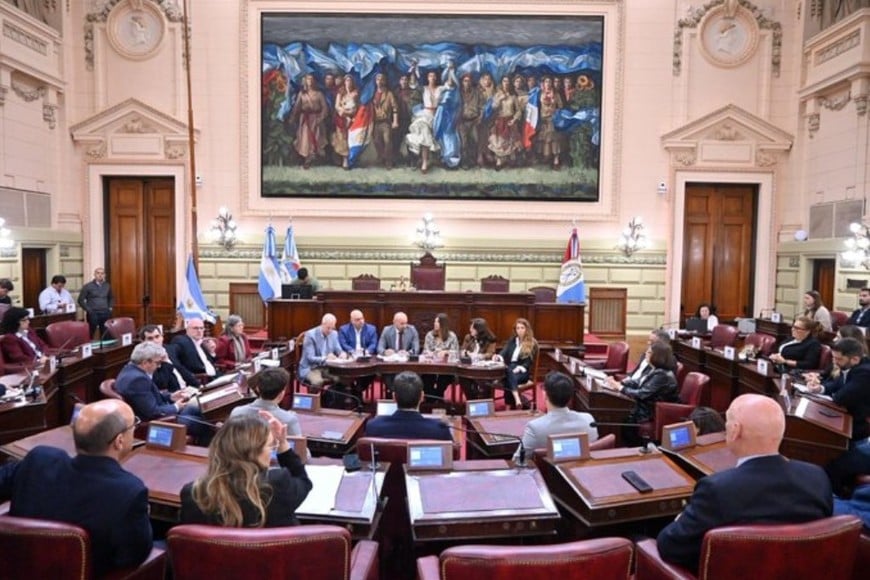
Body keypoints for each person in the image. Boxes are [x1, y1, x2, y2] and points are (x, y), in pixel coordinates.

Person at [656, 394, 833, 572]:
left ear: (735, 431)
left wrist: (679, 520)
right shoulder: (817, 477)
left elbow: (669, 547)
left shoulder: (716, 489)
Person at [0, 399, 153, 576]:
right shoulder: (130, 492)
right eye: (133, 425)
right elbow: (134, 556)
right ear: (119, 441)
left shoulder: (38, 459)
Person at [180, 413, 312, 527]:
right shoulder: (277, 484)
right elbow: (303, 481)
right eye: (270, 446)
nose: (272, 450)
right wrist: (283, 443)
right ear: (253, 452)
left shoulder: (192, 493)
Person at [805, 337, 870, 494]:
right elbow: (836, 386)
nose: (834, 362)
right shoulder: (851, 368)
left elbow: (841, 397)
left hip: (861, 428)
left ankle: (836, 497)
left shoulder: (865, 373)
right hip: (852, 424)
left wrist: (834, 392)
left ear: (854, 359)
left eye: (838, 359)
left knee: (833, 462)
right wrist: (819, 389)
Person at [115, 341, 211, 444]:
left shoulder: (130, 369)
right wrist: (176, 407)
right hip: (159, 422)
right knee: (207, 424)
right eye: (157, 363)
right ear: (145, 362)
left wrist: (170, 397)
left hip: (163, 413)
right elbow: (153, 412)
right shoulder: (137, 380)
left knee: (202, 410)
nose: (159, 366)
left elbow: (148, 396)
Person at [514, 371, 598, 461]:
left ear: (545, 395)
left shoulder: (535, 428)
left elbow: (518, 461)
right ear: (571, 397)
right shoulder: (589, 420)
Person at [605, 342, 679, 438]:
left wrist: (620, 388)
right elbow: (638, 382)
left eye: (649, 352)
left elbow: (642, 394)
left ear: (657, 356)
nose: (645, 354)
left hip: (651, 411)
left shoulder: (663, 375)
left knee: (617, 411)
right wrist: (618, 383)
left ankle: (624, 444)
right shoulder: (654, 369)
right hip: (644, 406)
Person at [230, 367, 305, 449]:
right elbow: (300, 452)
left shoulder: (236, 412)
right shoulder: (289, 419)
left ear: (257, 388)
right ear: (281, 394)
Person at [364, 371, 452, 440]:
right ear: (422, 397)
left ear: (394, 397)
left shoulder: (373, 426)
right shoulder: (439, 429)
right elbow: (453, 455)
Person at [139, 324, 199, 392]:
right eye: (150, 338)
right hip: (173, 396)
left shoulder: (169, 350)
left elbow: (181, 369)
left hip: (188, 390)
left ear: (162, 337)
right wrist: (165, 362)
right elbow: (161, 384)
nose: (155, 341)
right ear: (143, 342)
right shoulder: (147, 360)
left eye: (157, 337)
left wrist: (197, 385)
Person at [494, 318, 538, 409]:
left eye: (522, 328)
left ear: (527, 329)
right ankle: (517, 399)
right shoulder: (513, 340)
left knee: (508, 377)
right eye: (518, 328)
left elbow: (528, 363)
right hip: (510, 368)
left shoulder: (532, 343)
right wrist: (498, 357)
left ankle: (508, 407)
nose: (520, 330)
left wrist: (518, 369)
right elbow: (504, 351)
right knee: (509, 372)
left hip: (522, 371)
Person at [405, 70, 443, 174]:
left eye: (434, 76)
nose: (432, 78)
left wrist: (450, 70)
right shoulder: (423, 89)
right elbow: (413, 84)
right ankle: (424, 161)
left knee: (428, 133)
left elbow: (451, 85)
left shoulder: (440, 88)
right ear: (427, 78)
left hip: (437, 116)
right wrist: (413, 70)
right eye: (430, 76)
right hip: (425, 114)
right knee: (424, 130)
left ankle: (430, 159)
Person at [298, 313, 346, 392]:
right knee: (318, 382)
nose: (330, 331)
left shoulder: (334, 333)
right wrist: (326, 358)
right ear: (322, 324)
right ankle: (314, 403)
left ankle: (329, 399)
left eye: (332, 327)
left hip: (327, 367)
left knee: (342, 378)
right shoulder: (310, 335)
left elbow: (338, 349)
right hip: (311, 368)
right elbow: (310, 358)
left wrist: (342, 354)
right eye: (328, 328)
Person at [290, 73, 328, 169]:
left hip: (316, 119)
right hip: (305, 119)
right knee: (305, 138)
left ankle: (312, 158)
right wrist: (293, 117)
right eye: (308, 79)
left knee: (316, 138)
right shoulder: (302, 94)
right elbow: (297, 107)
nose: (310, 82)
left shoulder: (319, 94)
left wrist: (321, 118)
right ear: (305, 81)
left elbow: (325, 108)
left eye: (311, 79)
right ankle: (306, 159)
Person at [337, 309, 378, 395]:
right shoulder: (344, 329)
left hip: (365, 359)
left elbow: (373, 344)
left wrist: (367, 351)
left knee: (372, 372)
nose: (361, 321)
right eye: (358, 319)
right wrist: (353, 352)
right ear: (352, 321)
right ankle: (355, 393)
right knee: (346, 374)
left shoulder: (371, 329)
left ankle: (357, 391)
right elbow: (343, 344)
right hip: (350, 359)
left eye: (362, 318)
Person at [421, 313, 460, 399]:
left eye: (437, 322)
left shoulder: (452, 336)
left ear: (443, 324)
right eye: (435, 322)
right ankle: (430, 401)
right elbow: (425, 351)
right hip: (431, 367)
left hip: (446, 369)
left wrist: (446, 352)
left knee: (443, 380)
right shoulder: (429, 335)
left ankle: (439, 400)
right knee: (427, 379)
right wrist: (432, 354)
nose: (435, 324)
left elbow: (456, 353)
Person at [331, 74, 360, 169]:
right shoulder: (340, 93)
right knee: (342, 139)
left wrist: (350, 114)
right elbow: (337, 106)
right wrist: (343, 112)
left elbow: (357, 107)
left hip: (352, 118)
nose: (348, 83)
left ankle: (352, 158)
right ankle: (344, 159)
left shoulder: (355, 93)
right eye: (347, 81)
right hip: (342, 119)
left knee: (351, 139)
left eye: (350, 81)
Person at [371, 72, 399, 168]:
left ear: (385, 81)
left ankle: (388, 161)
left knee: (387, 141)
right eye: (378, 79)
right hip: (375, 122)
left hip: (385, 122)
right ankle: (381, 156)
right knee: (376, 141)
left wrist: (395, 121)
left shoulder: (389, 94)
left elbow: (395, 107)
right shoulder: (372, 93)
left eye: (381, 79)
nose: (379, 81)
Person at [77, 267, 114, 338]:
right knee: (91, 332)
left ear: (104, 275)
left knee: (106, 332)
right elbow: (80, 300)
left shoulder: (107, 286)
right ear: (94, 274)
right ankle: (90, 346)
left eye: (102, 273)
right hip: (93, 313)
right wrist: (88, 310)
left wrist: (110, 307)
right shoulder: (87, 286)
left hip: (105, 312)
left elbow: (111, 297)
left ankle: (105, 348)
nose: (100, 275)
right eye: (98, 273)